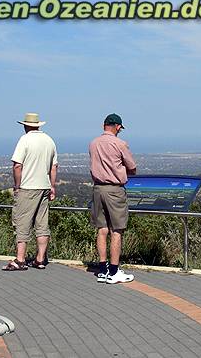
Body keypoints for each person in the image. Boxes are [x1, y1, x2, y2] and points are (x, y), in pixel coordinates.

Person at [2, 113, 58, 271]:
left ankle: (20, 259)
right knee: (42, 224)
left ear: (25, 125)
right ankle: (40, 259)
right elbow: (54, 167)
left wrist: (17, 185)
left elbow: (17, 165)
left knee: (22, 223)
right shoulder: (49, 140)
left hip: (28, 187)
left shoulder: (24, 140)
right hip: (44, 186)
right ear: (39, 125)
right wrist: (52, 186)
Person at [89, 113, 137, 284]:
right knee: (117, 230)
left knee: (101, 229)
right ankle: (114, 271)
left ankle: (103, 270)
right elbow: (132, 167)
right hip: (114, 190)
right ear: (117, 127)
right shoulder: (120, 144)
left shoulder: (93, 143)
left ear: (104, 125)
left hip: (97, 189)